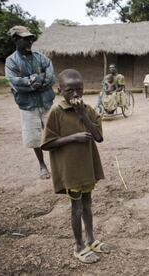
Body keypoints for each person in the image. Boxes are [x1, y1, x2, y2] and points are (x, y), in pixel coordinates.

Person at [41, 69, 110, 264]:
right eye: (70, 90)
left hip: (87, 168)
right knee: (77, 208)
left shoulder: (88, 110)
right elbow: (46, 144)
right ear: (60, 90)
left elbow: (99, 137)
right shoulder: (57, 112)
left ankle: (91, 239)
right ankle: (78, 245)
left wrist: (83, 115)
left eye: (79, 90)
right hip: (71, 172)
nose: (76, 94)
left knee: (87, 205)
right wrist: (73, 138)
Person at [5, 25, 55, 179]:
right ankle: (42, 165)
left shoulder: (41, 58)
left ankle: (57, 162)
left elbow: (51, 77)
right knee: (34, 137)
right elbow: (15, 83)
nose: (29, 41)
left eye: (31, 38)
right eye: (25, 39)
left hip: (46, 102)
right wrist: (34, 81)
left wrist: (35, 81)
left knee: (54, 133)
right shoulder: (11, 61)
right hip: (27, 106)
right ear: (15, 39)